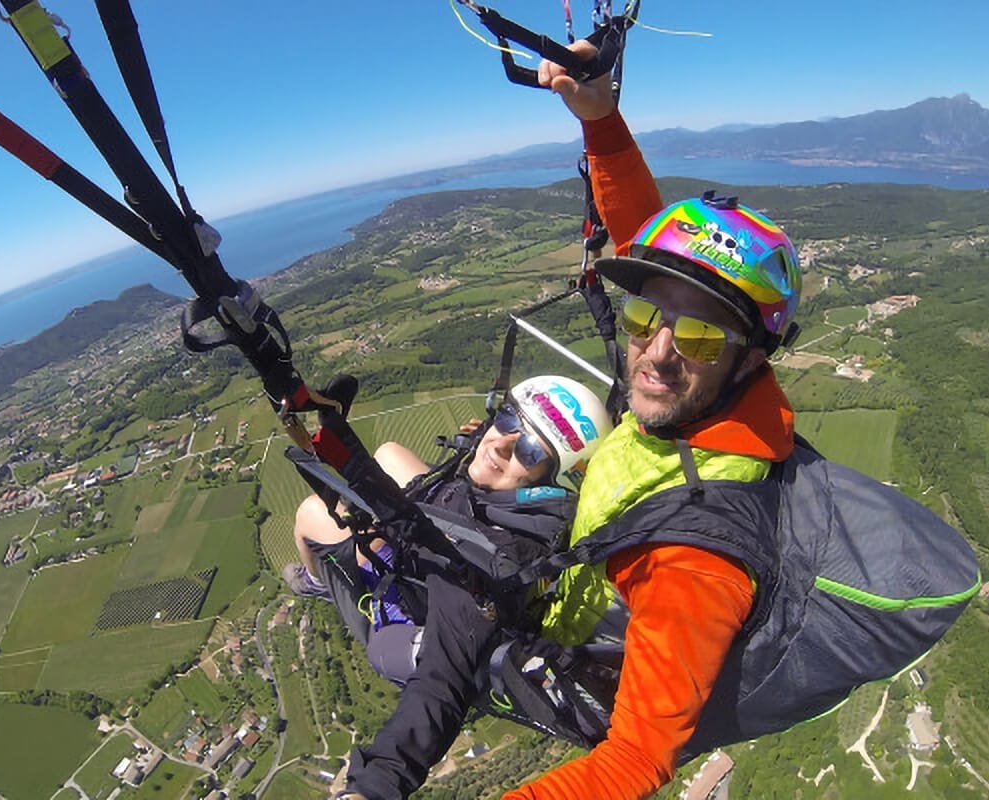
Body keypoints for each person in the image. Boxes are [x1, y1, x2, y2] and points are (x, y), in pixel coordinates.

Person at [337, 39, 807, 799]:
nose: (655, 353)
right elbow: (644, 236)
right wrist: (603, 122)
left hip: (534, 623)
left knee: (324, 523)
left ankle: (349, 584)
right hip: (560, 552)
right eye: (644, 314)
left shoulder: (700, 555)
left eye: (696, 337)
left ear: (753, 358)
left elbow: (633, 764)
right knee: (391, 460)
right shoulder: (711, 405)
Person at [282, 375, 614, 681]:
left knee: (311, 513)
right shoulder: (536, 516)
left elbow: (440, 551)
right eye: (507, 419)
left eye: (528, 451)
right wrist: (475, 454)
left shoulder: (511, 550)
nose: (500, 445)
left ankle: (317, 583)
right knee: (389, 453)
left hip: (413, 601)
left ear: (549, 485)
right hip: (446, 533)